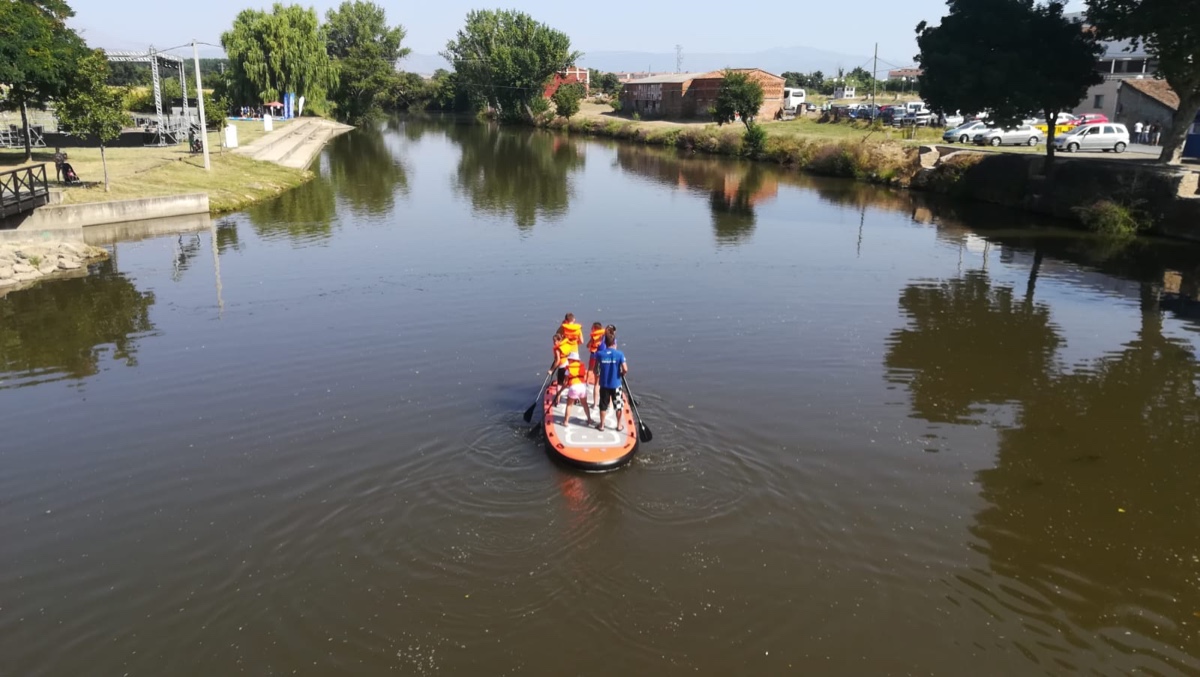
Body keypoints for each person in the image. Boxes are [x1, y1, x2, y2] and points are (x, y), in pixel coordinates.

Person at [593, 333, 628, 432]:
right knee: (618, 406)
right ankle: (619, 425)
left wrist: (599, 372)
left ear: (605, 343)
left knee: (603, 405)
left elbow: (595, 370)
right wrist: (622, 373)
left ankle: (602, 425)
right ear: (614, 343)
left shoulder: (600, 354)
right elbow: (625, 369)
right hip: (616, 385)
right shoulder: (619, 354)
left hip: (604, 385)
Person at [558, 352, 594, 428]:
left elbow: (565, 383)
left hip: (574, 388)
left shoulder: (568, 369)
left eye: (569, 359)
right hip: (582, 387)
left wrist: (560, 391)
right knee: (585, 404)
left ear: (572, 360)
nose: (568, 360)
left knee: (569, 405)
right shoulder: (582, 367)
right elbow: (583, 377)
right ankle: (589, 420)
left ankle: (566, 422)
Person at [586, 321, 605, 404]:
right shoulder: (604, 336)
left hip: (594, 355)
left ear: (595, 328)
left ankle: (586, 382)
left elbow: (588, 345)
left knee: (590, 368)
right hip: (603, 356)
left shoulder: (593, 337)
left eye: (592, 327)